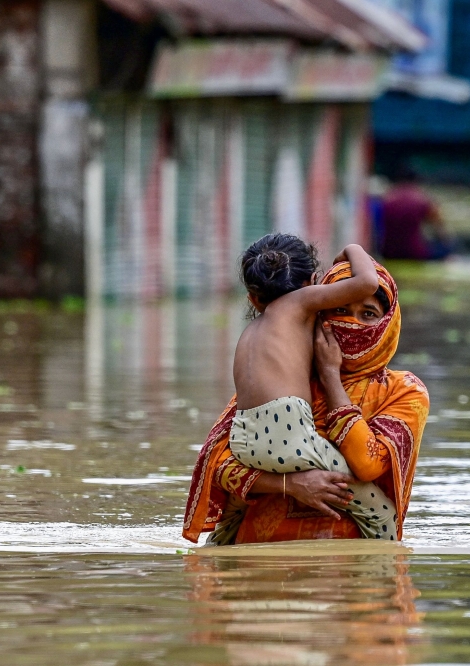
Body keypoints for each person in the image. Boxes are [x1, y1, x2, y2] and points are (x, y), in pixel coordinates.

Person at [183, 254, 429, 545]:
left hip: (349, 572)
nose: (351, 324)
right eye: (340, 310)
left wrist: (330, 377)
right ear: (320, 311)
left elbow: (368, 464)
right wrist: (289, 485)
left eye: (368, 314)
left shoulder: (404, 391)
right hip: (258, 564)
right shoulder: (284, 380)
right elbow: (219, 465)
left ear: (387, 323)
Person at [380, 166, 452, 261]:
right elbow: (440, 229)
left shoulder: (387, 198)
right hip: (415, 252)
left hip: (388, 251)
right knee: (448, 247)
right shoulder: (422, 199)